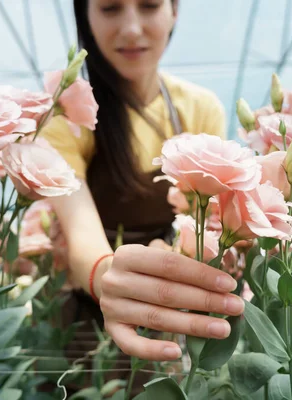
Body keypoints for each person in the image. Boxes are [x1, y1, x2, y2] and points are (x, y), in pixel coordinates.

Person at [42, 0, 246, 365]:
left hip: (169, 298)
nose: (132, 28)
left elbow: (211, 223)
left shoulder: (200, 108)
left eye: (150, 6)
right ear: (84, 16)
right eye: (110, 8)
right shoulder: (67, 114)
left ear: (174, 11)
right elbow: (79, 233)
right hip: (87, 308)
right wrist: (108, 277)